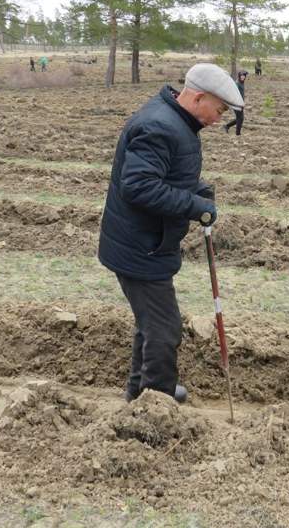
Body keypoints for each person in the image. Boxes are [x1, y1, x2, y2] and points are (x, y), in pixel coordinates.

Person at [98, 63, 245, 404]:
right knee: (165, 329)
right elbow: (139, 186)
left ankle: (141, 391)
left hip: (149, 242)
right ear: (196, 97)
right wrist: (195, 206)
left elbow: (165, 174)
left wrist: (197, 189)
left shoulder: (177, 122)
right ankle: (157, 403)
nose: (219, 118)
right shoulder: (159, 127)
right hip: (139, 248)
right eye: (219, 109)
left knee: (151, 322)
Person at [223, 71, 248, 135]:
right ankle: (237, 133)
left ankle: (227, 126)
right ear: (239, 76)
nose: (243, 77)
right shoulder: (237, 83)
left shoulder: (242, 82)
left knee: (240, 118)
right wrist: (239, 103)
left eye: (244, 76)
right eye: (241, 76)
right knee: (240, 118)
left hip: (239, 102)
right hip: (236, 102)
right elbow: (235, 93)